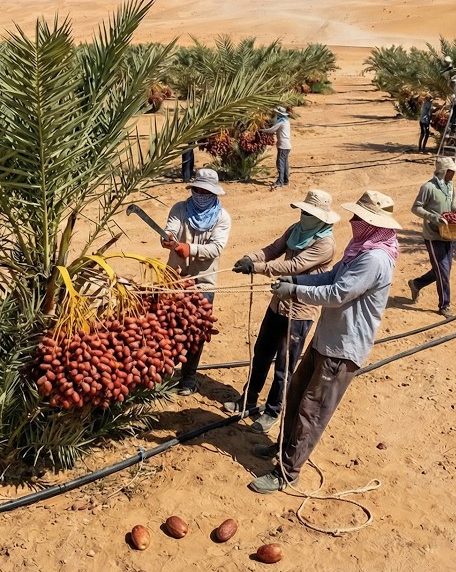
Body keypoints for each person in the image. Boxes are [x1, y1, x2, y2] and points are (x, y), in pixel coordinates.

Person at [248, 189, 399, 493]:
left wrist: (295, 291)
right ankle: (282, 448)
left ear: (373, 223)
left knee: (311, 411)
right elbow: (329, 278)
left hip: (342, 348)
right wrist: (298, 281)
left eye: (360, 217)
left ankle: (287, 472)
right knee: (296, 394)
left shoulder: (373, 259)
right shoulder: (360, 249)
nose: (354, 220)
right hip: (326, 339)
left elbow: (337, 293)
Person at [226, 189, 339, 433]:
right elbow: (273, 248)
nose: (304, 215)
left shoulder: (325, 244)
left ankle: (272, 411)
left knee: (283, 367)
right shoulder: (295, 229)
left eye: (309, 213)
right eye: (304, 211)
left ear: (322, 217)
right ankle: (249, 399)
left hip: (299, 310)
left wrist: (256, 268)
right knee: (262, 353)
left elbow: (294, 265)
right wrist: (250, 257)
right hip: (278, 303)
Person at [163, 167, 232, 395]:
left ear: (214, 194)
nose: (200, 195)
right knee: (167, 326)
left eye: (205, 192)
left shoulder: (222, 218)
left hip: (203, 282)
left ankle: (189, 377)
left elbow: (216, 248)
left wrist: (190, 248)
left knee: (196, 331)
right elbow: (171, 228)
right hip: (174, 278)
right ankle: (164, 372)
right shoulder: (180, 209)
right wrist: (169, 238)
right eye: (197, 190)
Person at [408, 156, 456, 315]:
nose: (454, 174)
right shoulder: (428, 188)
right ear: (444, 172)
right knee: (443, 271)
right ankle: (444, 305)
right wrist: (433, 218)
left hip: (448, 233)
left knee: (444, 269)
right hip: (433, 235)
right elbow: (416, 208)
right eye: (451, 171)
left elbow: (453, 203)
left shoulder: (450, 186)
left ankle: (416, 284)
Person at [259, 106, 291, 189]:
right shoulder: (286, 121)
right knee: (285, 163)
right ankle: (285, 180)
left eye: (277, 113)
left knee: (280, 163)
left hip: (283, 146)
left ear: (279, 114)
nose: (276, 114)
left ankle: (280, 181)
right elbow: (273, 122)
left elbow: (272, 130)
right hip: (286, 145)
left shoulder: (282, 122)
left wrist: (262, 130)